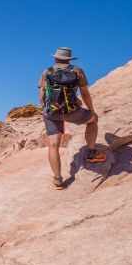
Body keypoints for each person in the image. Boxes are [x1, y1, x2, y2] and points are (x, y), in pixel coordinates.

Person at [38, 47, 106, 190]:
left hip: (52, 112)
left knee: (53, 145)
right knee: (93, 120)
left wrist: (46, 110)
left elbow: (42, 94)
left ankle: (57, 180)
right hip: (72, 111)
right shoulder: (77, 71)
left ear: (55, 58)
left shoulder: (47, 71)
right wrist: (92, 111)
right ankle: (92, 152)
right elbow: (85, 93)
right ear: (69, 59)